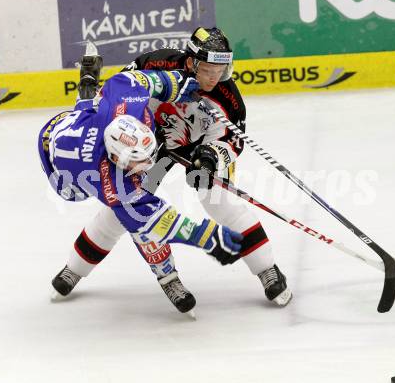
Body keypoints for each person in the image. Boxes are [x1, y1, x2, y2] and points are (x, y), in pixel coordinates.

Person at [73, 27, 293, 309]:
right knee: (127, 204)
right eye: (208, 70)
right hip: (151, 143)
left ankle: (267, 269)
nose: (215, 78)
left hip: (198, 148)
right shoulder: (156, 64)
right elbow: (123, 90)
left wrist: (211, 157)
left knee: (219, 202)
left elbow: (232, 142)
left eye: (221, 70)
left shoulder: (229, 98)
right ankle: (75, 268)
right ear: (190, 62)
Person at [40, 67, 244, 315]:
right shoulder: (114, 184)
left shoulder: (127, 104)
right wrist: (208, 236)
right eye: (139, 163)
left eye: (149, 157)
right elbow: (161, 222)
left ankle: (87, 89)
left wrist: (176, 84)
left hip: (77, 126)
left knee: (90, 112)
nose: (148, 165)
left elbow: (132, 79)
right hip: (62, 168)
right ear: (116, 158)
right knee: (137, 222)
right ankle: (167, 276)